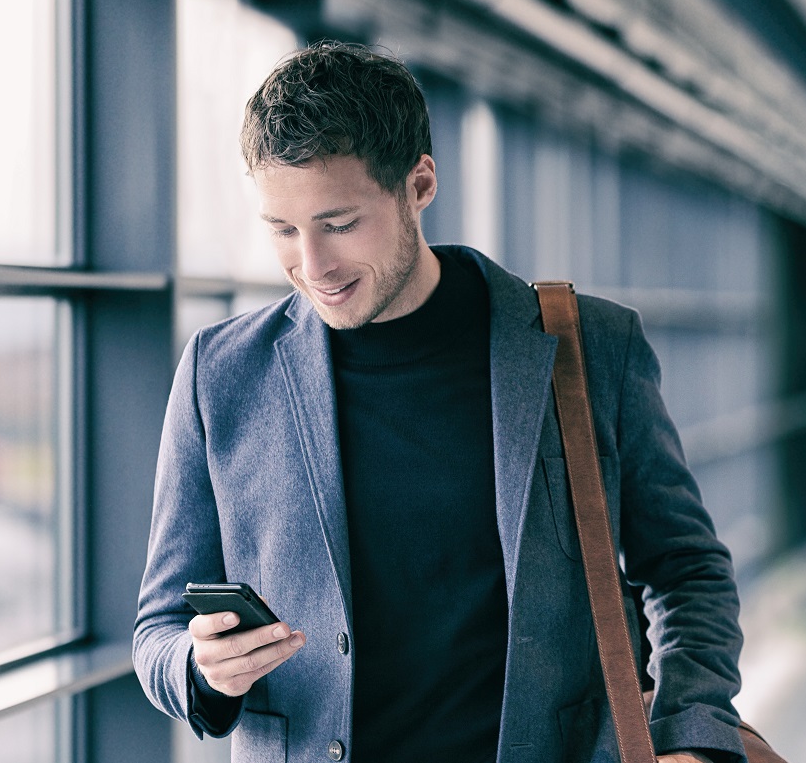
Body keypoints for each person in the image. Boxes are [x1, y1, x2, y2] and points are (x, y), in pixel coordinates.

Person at [133, 41, 747, 763]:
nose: (313, 264)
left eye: (339, 224)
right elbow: (156, 631)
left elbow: (686, 570)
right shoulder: (221, 374)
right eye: (283, 230)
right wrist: (202, 667)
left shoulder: (590, 348)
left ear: (419, 184)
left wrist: (691, 735)